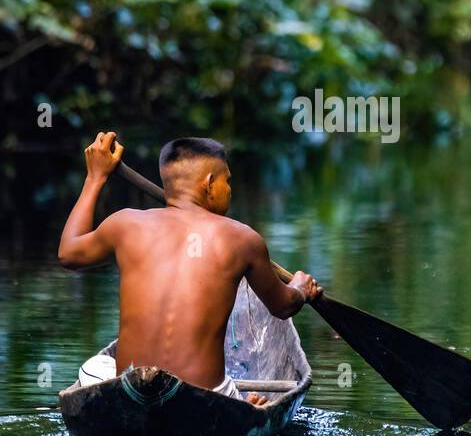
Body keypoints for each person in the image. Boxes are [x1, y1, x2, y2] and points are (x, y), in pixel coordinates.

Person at [58, 133, 321, 406]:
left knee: (97, 366)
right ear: (209, 184)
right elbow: (282, 306)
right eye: (227, 181)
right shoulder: (243, 239)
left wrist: (95, 178)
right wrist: (300, 289)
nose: (230, 190)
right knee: (229, 395)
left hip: (131, 391)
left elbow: (68, 253)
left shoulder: (125, 224)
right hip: (205, 398)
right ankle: (243, 404)